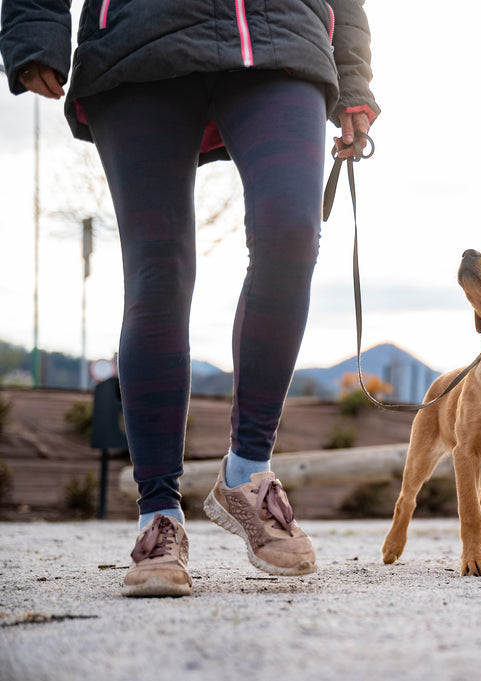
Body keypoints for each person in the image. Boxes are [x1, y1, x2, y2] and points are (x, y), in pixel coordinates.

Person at [0, 0, 379, 597]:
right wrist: (32, 30)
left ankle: (248, 475)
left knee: (292, 232)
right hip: (137, 41)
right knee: (158, 272)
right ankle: (159, 514)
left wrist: (354, 78)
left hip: (281, 35)